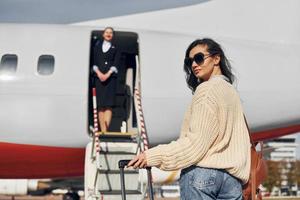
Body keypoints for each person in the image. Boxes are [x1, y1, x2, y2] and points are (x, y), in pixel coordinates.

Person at [127, 38, 251, 199]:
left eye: (199, 58)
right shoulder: (231, 92)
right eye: (189, 61)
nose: (193, 65)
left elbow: (195, 144)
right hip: (232, 182)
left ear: (216, 59)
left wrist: (152, 156)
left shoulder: (206, 91)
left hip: (202, 177)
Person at [92, 27, 120, 132]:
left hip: (110, 79)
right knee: (100, 105)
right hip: (99, 78)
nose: (109, 34)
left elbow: (116, 63)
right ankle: (102, 129)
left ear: (112, 35)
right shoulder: (97, 47)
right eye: (107, 32)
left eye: (111, 33)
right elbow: (94, 63)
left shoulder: (115, 48)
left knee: (109, 105)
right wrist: (99, 74)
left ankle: (105, 130)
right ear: (103, 34)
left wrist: (108, 74)